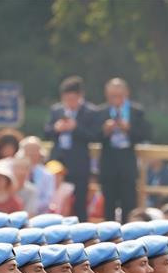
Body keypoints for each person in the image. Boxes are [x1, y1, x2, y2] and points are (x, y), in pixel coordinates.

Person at [44, 76, 98, 222]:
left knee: (80, 202)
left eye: (73, 99)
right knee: (55, 200)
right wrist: (56, 129)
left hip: (79, 163)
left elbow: (95, 135)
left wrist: (75, 128)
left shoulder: (90, 112)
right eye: (67, 99)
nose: (70, 103)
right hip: (58, 162)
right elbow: (46, 133)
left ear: (80, 96)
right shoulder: (56, 110)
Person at [98, 78, 152, 222]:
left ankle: (129, 238)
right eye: (112, 96)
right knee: (108, 206)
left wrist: (129, 129)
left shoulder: (136, 111)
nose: (116, 99)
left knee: (129, 204)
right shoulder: (101, 111)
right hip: (108, 163)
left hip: (127, 162)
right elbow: (92, 135)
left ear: (126, 93)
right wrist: (105, 130)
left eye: (119, 96)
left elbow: (145, 134)